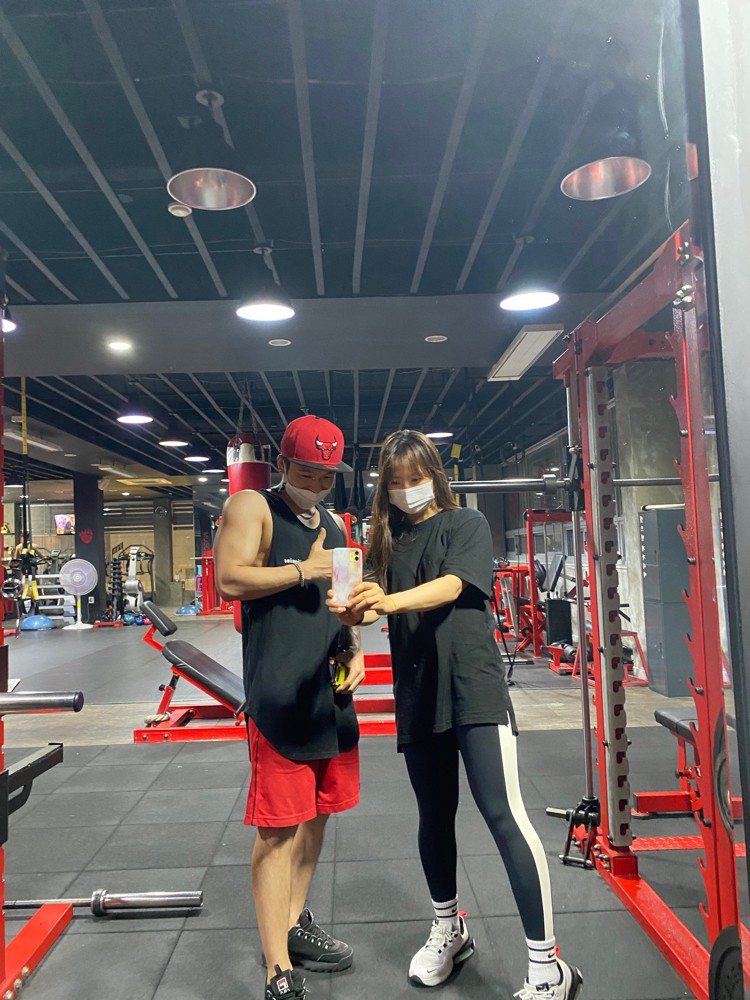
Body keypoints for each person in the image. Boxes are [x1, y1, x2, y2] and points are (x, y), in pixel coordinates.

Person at [328, 430, 583, 1000]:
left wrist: (388, 601)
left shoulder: (466, 524)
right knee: (433, 817)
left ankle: (548, 969)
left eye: (415, 479)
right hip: (418, 693)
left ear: (434, 476)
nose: (406, 490)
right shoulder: (385, 542)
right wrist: (351, 613)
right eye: (396, 483)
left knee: (504, 816)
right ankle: (449, 928)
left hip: (473, 689)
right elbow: (371, 609)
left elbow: (450, 586)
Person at [215, 415, 366, 1000]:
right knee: (278, 832)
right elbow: (229, 580)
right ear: (282, 465)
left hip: (330, 695)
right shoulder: (252, 506)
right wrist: (305, 568)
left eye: (327, 475)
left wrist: (354, 646)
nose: (318, 484)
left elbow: (345, 601)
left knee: (319, 814)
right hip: (280, 697)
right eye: (307, 473)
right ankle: (277, 967)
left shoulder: (336, 523)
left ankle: (293, 923)